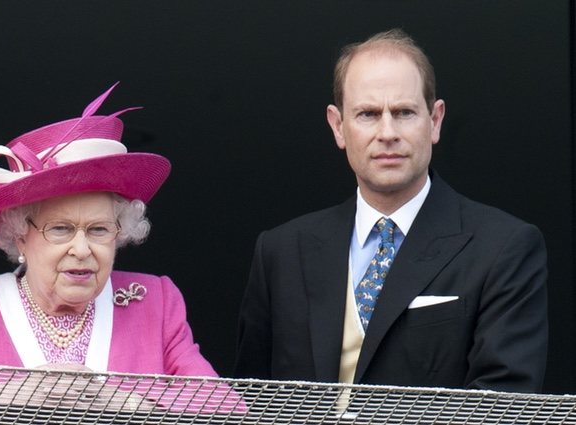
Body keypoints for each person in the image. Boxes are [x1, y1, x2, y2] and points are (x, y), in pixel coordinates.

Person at [234, 29, 548, 393]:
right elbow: (250, 401)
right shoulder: (280, 252)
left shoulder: (504, 248)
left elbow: (502, 408)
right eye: (368, 114)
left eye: (403, 112)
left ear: (435, 120)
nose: (387, 132)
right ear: (338, 126)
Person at [0, 83, 216, 377]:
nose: (81, 249)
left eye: (99, 230)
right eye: (61, 229)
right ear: (20, 234)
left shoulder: (155, 304)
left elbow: (228, 411)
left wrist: (130, 405)